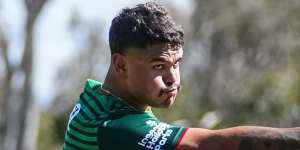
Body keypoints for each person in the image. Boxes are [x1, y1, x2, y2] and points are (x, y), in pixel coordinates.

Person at [63, 2, 300, 150]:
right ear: (121, 65)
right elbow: (210, 144)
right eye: (159, 66)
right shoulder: (112, 127)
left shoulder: (98, 98)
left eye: (177, 64)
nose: (173, 78)